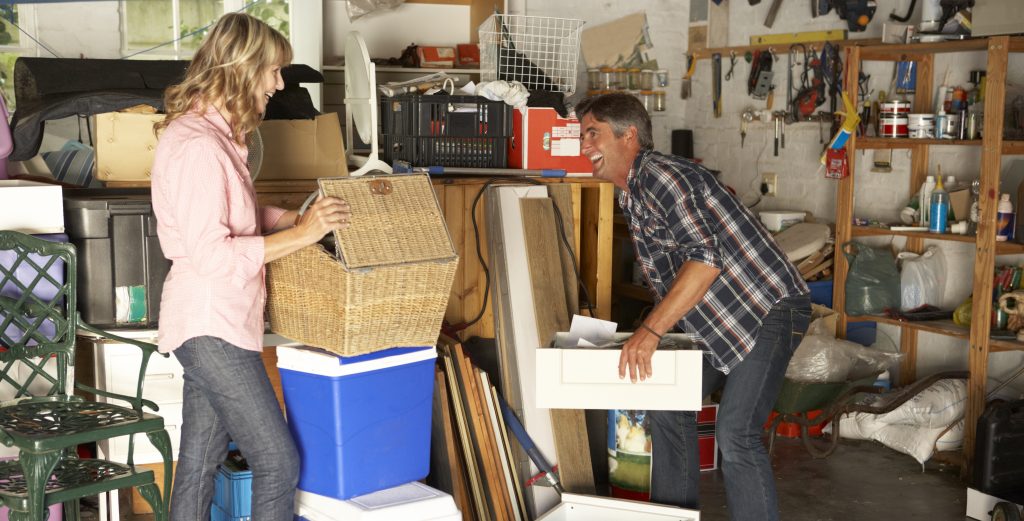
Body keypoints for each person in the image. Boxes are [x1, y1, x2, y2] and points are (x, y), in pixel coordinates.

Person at [151, 13, 351, 521]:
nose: (279, 83)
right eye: (274, 70)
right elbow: (214, 253)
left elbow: (230, 215)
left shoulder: (216, 137)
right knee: (278, 462)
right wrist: (301, 235)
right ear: (242, 68)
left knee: (199, 462)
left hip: (219, 322)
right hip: (210, 323)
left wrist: (288, 218)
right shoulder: (199, 146)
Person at [576, 92, 811, 521]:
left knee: (737, 432)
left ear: (629, 136)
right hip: (716, 319)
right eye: (581, 135)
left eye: (593, 133)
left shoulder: (661, 177)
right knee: (667, 404)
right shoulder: (631, 194)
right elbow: (680, 273)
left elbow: (705, 261)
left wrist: (651, 333)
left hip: (767, 307)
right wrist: (647, 328)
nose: (584, 145)